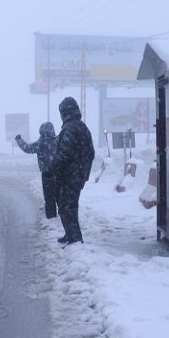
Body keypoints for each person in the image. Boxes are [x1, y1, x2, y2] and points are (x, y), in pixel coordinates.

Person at [51, 97, 95, 245]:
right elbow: (91, 153)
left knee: (67, 206)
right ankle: (70, 234)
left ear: (65, 112)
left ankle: (74, 238)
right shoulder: (82, 126)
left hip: (69, 175)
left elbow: (65, 153)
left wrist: (54, 167)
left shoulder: (70, 127)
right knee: (69, 205)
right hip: (78, 174)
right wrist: (84, 170)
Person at [15, 122, 58, 219]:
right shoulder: (58, 141)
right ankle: (63, 216)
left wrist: (19, 140)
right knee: (61, 195)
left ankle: (51, 217)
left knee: (49, 197)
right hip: (60, 173)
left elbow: (27, 148)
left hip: (47, 174)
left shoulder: (40, 143)